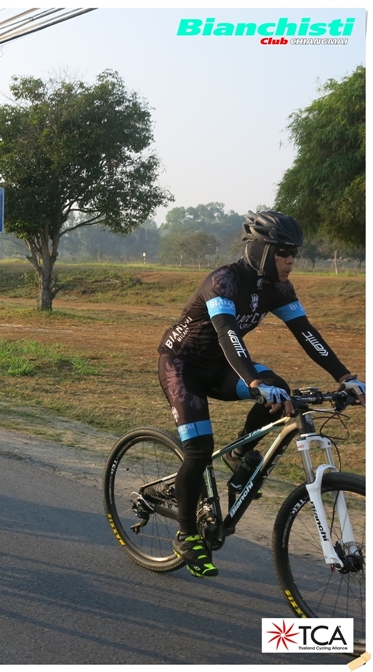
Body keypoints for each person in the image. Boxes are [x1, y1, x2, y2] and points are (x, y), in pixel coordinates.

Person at [158, 210, 366, 578]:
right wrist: (255, 383)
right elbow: (227, 333)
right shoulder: (223, 281)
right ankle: (186, 535)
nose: (290, 260)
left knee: (282, 390)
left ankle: (238, 455)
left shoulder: (278, 287)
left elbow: (306, 332)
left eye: (295, 253)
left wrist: (345, 376)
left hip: (222, 368)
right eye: (284, 251)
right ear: (260, 249)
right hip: (182, 366)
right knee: (199, 449)